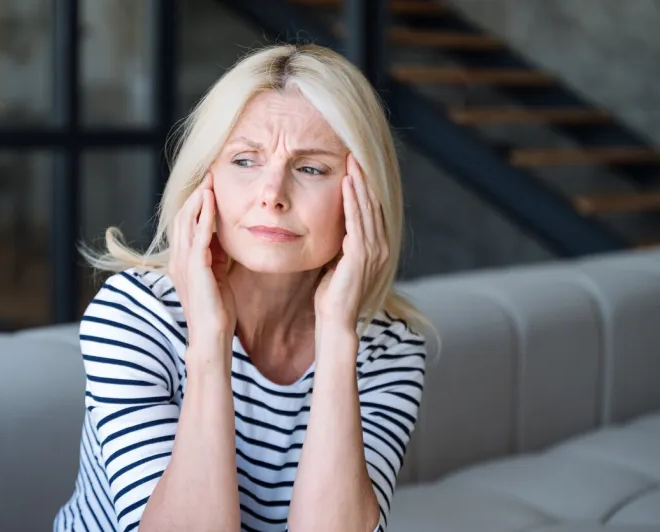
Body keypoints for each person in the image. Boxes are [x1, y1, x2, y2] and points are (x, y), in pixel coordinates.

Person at [54, 43, 429, 532]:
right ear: (204, 177)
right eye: (245, 161)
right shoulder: (135, 315)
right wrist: (209, 340)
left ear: (365, 197)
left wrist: (338, 339)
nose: (272, 195)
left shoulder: (390, 348)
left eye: (310, 168)